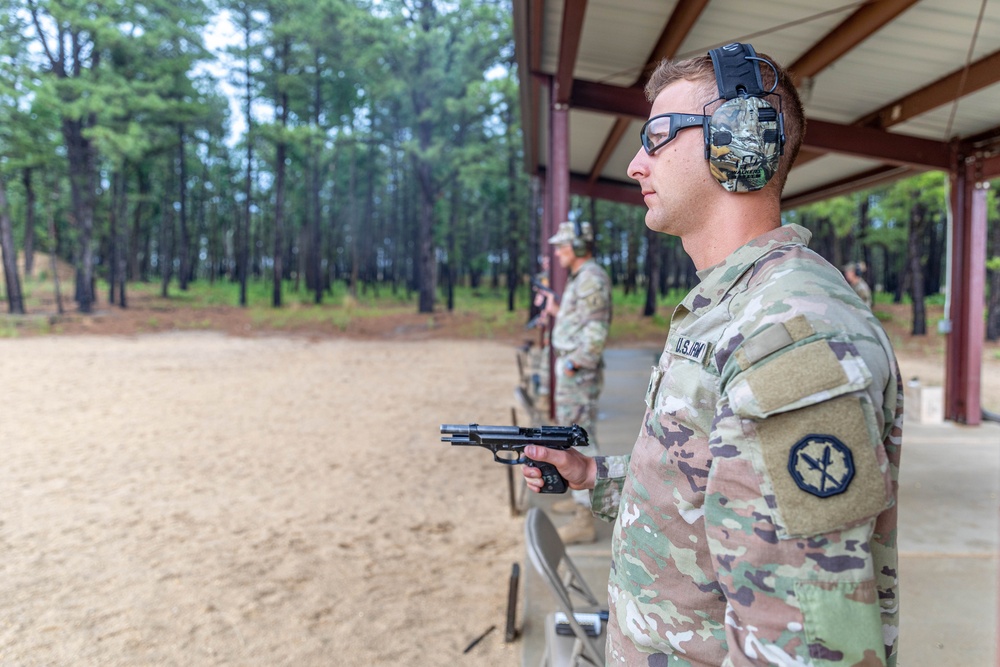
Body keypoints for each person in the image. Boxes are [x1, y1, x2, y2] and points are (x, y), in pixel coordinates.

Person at [523, 42, 903, 666]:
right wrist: (596, 477)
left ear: (737, 141)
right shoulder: (728, 307)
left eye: (657, 136)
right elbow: (711, 500)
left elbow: (802, 640)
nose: (636, 164)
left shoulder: (791, 331)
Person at [533, 220, 612, 545]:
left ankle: (585, 518)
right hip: (572, 371)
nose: (558, 252)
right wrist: (555, 311)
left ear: (578, 248)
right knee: (570, 433)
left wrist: (571, 364)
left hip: (577, 373)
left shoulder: (591, 278)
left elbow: (595, 334)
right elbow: (580, 321)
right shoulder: (582, 278)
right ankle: (580, 496)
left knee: (580, 437)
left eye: (562, 245)